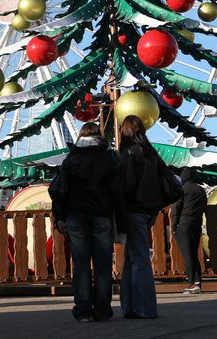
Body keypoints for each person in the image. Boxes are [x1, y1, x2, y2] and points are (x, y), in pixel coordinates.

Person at [50, 122, 118, 322]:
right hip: (102, 215)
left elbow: (59, 189)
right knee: (103, 264)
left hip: (77, 215)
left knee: (81, 264)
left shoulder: (72, 159)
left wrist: (60, 216)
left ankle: (83, 310)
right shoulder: (108, 158)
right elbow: (116, 189)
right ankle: (103, 310)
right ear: (99, 136)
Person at [116, 116, 166, 320]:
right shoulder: (151, 154)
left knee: (139, 259)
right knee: (132, 257)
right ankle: (129, 305)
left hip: (134, 210)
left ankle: (144, 307)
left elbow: (126, 186)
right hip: (149, 211)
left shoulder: (129, 154)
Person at [172, 167, 206, 294]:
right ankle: (197, 283)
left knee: (187, 256)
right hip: (196, 224)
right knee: (193, 254)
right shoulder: (201, 190)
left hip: (184, 225)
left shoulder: (183, 189)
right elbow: (204, 207)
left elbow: (176, 208)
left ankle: (191, 283)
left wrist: (174, 226)